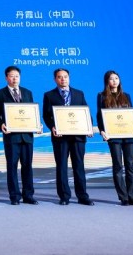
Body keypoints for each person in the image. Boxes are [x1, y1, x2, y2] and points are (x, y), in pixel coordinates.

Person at [43, 67, 94, 206]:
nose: (63, 79)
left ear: (69, 78)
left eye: (65, 76)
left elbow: (86, 113)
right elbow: (46, 115)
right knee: (61, 167)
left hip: (78, 137)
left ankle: (82, 196)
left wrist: (89, 127)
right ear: (55, 79)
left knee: (79, 166)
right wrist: (52, 127)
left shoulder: (79, 93)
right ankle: (64, 196)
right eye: (60, 77)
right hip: (60, 137)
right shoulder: (49, 95)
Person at [0, 65, 41, 205]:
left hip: (27, 137)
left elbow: (31, 113)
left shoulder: (27, 92)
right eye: (12, 76)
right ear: (6, 78)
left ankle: (28, 195)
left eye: (17, 76)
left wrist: (37, 124)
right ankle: (14, 196)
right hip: (11, 137)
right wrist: (1, 125)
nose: (15, 79)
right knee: (12, 167)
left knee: (27, 166)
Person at [97, 70, 133, 206]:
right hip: (113, 136)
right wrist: (102, 131)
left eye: (116, 78)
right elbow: (99, 115)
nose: (114, 81)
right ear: (107, 81)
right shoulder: (101, 96)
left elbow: (132, 115)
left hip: (129, 135)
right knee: (118, 166)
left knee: (130, 166)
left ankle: (132, 197)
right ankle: (124, 197)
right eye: (111, 79)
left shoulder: (126, 96)